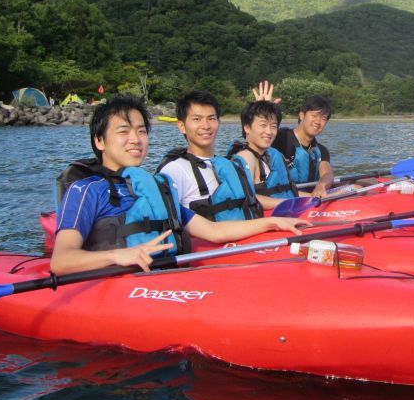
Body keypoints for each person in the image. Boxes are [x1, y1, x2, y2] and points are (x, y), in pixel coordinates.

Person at [50, 95, 307, 275]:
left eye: (141, 131)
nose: (135, 139)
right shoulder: (86, 191)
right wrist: (116, 256)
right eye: (124, 131)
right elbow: (61, 260)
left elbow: (211, 231)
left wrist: (272, 222)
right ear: (100, 141)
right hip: (115, 285)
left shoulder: (157, 189)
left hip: (161, 278)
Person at [157, 90, 261, 221]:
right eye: (197, 119)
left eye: (211, 118)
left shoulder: (228, 165)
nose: (206, 126)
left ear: (219, 122)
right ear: (182, 126)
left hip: (245, 237)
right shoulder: (175, 170)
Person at [230, 100, 308, 211]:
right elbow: (247, 197)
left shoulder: (266, 155)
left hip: (281, 211)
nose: (269, 131)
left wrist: (316, 196)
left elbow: (284, 191)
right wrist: (290, 203)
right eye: (263, 125)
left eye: (273, 126)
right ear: (247, 127)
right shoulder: (246, 157)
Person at [272, 95, 335, 198]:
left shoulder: (321, 150)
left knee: (356, 187)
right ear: (302, 115)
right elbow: (257, 138)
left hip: (310, 197)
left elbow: (327, 174)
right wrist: (262, 111)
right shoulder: (280, 137)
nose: (318, 122)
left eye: (323, 118)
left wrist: (321, 185)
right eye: (314, 116)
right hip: (283, 197)